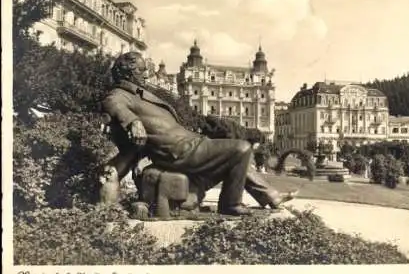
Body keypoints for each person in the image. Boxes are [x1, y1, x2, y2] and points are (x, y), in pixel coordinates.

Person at [100, 52, 297, 216]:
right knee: (242, 148)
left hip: (190, 142)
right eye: (141, 71)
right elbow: (113, 104)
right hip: (177, 150)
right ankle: (230, 204)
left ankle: (271, 196)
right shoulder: (120, 94)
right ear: (127, 73)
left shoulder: (139, 94)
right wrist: (133, 121)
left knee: (236, 156)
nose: (146, 75)